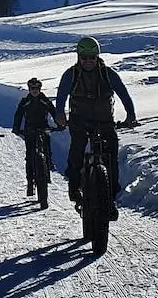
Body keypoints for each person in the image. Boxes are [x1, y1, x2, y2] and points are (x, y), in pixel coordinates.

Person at [55, 36, 136, 220]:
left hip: (105, 121)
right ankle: (74, 187)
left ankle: (111, 198)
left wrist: (131, 115)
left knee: (112, 157)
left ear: (97, 56)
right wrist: (60, 115)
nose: (88, 61)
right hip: (79, 122)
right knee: (76, 151)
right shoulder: (71, 74)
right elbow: (60, 97)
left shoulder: (108, 74)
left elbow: (124, 94)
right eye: (84, 57)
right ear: (78, 57)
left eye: (92, 57)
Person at [12, 77, 58, 196]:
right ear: (29, 89)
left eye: (36, 88)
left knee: (47, 149)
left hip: (43, 127)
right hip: (30, 129)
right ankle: (30, 183)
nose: (34, 91)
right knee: (30, 155)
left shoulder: (45, 100)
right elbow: (19, 115)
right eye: (32, 88)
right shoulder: (25, 101)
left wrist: (59, 124)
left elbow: (54, 112)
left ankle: (47, 170)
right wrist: (16, 128)